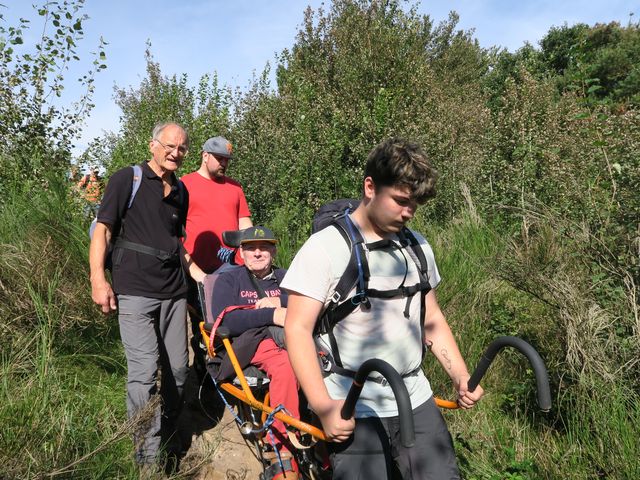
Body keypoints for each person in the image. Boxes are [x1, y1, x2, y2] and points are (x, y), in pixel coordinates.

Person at [282, 138, 484, 479]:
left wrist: (460, 375)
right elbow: (297, 329)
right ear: (370, 187)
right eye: (401, 201)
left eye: (415, 205)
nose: (408, 213)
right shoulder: (326, 248)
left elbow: (431, 319)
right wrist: (324, 408)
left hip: (414, 397)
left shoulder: (417, 247)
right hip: (352, 403)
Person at [89, 122, 205, 473]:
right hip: (135, 290)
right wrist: (98, 278)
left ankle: (169, 434)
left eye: (182, 148)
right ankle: (146, 459)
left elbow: (176, 242)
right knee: (143, 373)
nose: (176, 153)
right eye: (170, 146)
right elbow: (104, 231)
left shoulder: (181, 191)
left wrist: (201, 279)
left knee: (179, 372)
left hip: (173, 292)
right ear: (153, 145)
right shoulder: (128, 178)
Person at [209, 226, 300, 480]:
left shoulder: (287, 278)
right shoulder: (229, 280)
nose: (257, 253)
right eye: (251, 248)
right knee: (286, 364)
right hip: (252, 342)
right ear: (241, 252)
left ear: (273, 250)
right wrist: (270, 315)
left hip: (294, 337)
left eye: (264, 247)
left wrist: (279, 302)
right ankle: (281, 446)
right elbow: (226, 320)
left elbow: (312, 302)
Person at [181, 136, 252, 274]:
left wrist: (252, 247)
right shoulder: (185, 184)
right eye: (220, 158)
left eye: (227, 160)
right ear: (205, 156)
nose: (224, 163)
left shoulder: (235, 187)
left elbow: (244, 222)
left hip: (231, 266)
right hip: (192, 267)